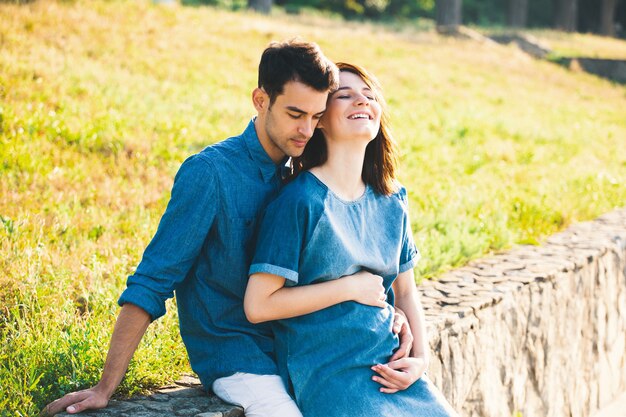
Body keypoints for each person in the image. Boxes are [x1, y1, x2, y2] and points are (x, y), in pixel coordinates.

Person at [44, 41, 413, 417]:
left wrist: (391, 315)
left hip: (299, 349)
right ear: (260, 100)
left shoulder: (300, 175)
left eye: (316, 117)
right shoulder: (211, 174)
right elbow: (153, 280)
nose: (306, 129)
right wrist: (106, 386)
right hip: (237, 356)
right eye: (294, 113)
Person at [244, 63, 459, 417]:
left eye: (369, 95)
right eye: (344, 95)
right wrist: (349, 287)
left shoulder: (392, 200)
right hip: (332, 375)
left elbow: (406, 292)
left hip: (394, 369)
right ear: (321, 119)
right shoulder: (299, 202)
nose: (361, 100)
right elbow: (259, 305)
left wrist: (420, 359)